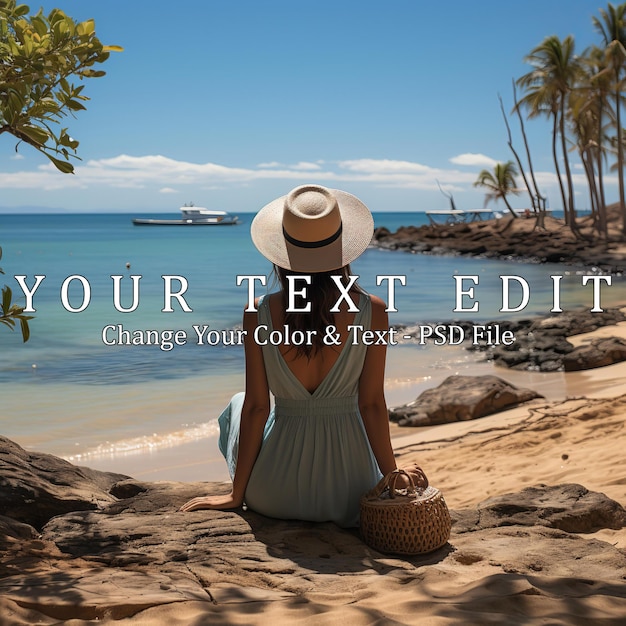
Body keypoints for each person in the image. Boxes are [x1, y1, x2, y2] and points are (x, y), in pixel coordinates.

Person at [180, 184, 411, 527]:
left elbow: (259, 407)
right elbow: (372, 404)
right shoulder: (372, 310)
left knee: (241, 402)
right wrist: (391, 477)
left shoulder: (256, 312)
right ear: (343, 250)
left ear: (282, 252)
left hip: (275, 495)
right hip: (351, 494)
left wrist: (237, 495)